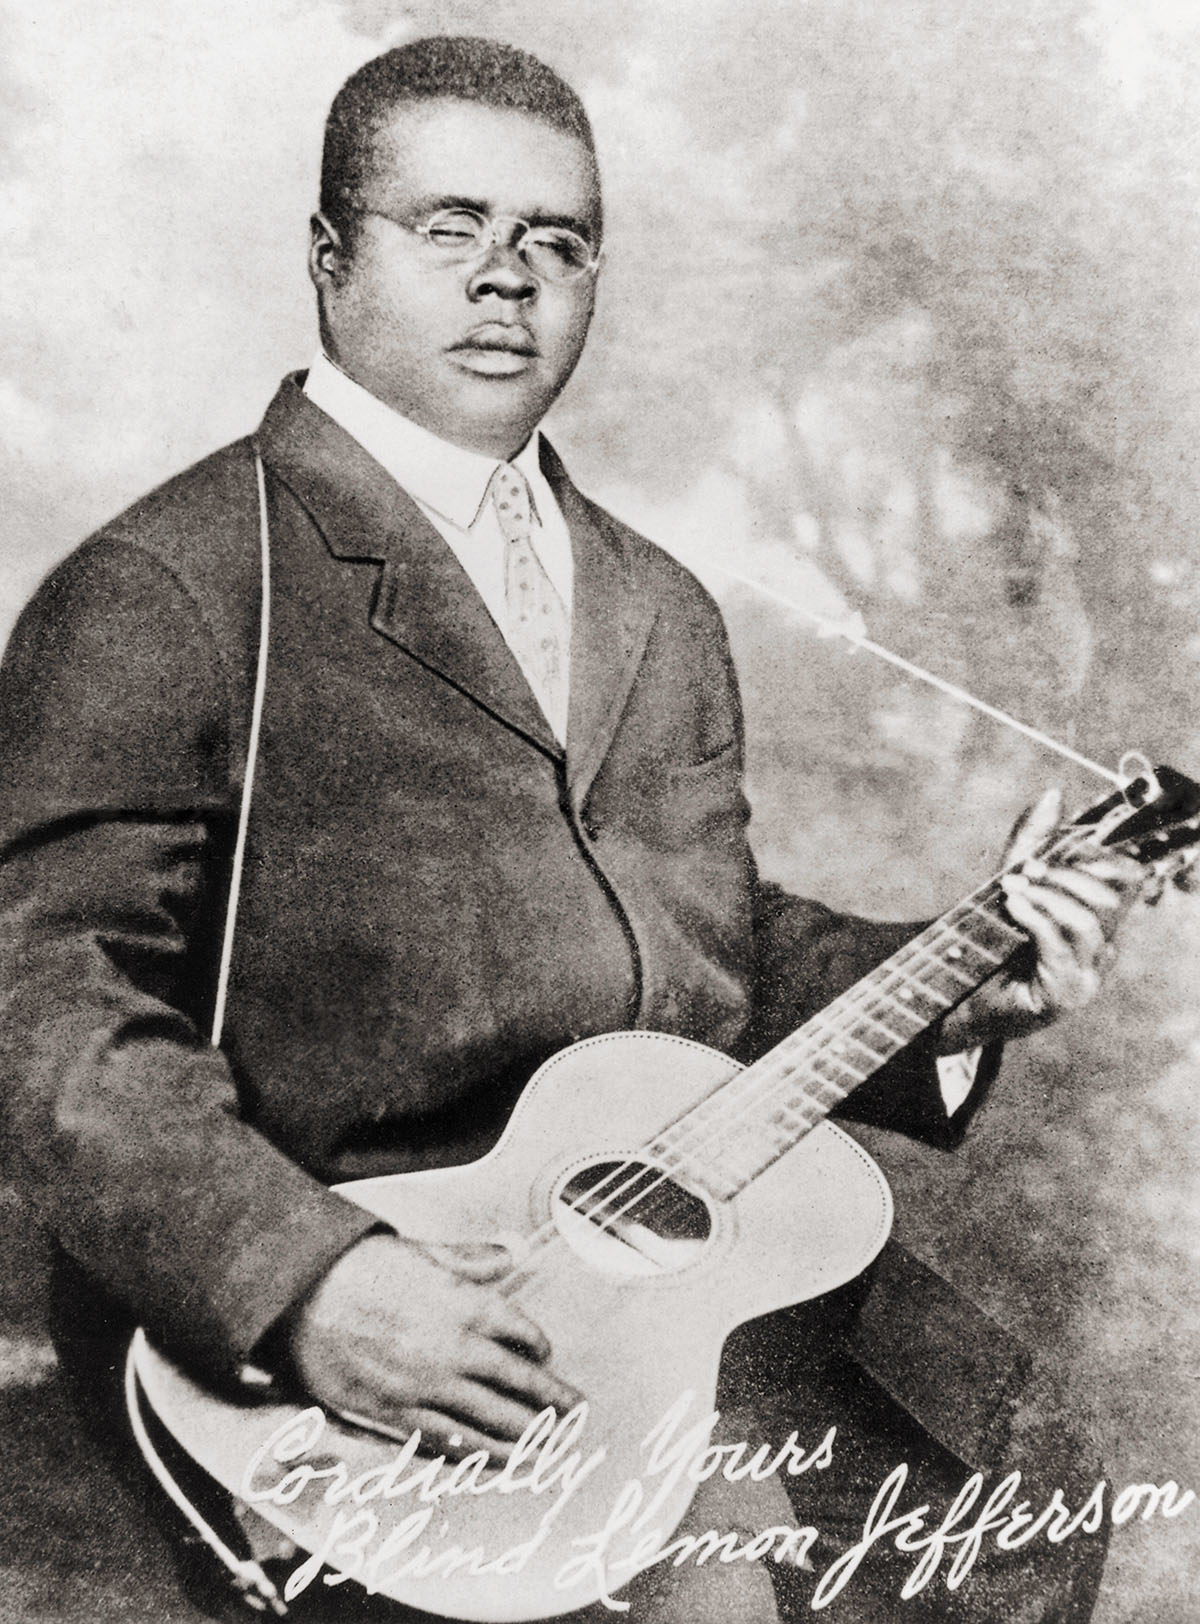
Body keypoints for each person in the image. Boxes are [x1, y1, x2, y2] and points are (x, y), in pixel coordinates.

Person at [0, 34, 1141, 1624]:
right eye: (448, 228)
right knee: (730, 1599)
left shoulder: (656, 602)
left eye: (557, 242)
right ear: (330, 260)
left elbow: (704, 947)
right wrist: (308, 1278)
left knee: (1039, 1493)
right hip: (364, 1312)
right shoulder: (174, 585)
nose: (507, 283)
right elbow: (45, 1010)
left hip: (661, 1249)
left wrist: (966, 984)